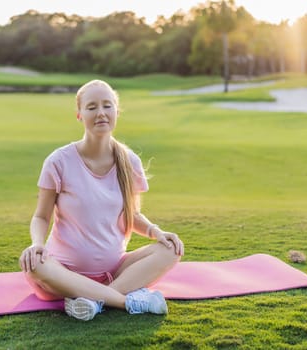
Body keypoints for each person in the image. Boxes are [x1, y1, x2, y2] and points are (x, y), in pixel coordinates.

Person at [19, 79, 184, 321]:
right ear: (79, 114)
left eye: (107, 106)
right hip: (61, 274)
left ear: (117, 111)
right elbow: (41, 216)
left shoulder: (130, 162)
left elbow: (132, 216)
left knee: (172, 249)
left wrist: (156, 232)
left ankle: (94, 302)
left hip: (115, 272)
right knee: (35, 265)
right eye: (92, 107)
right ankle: (126, 301)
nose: (101, 113)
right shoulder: (58, 161)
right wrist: (37, 244)